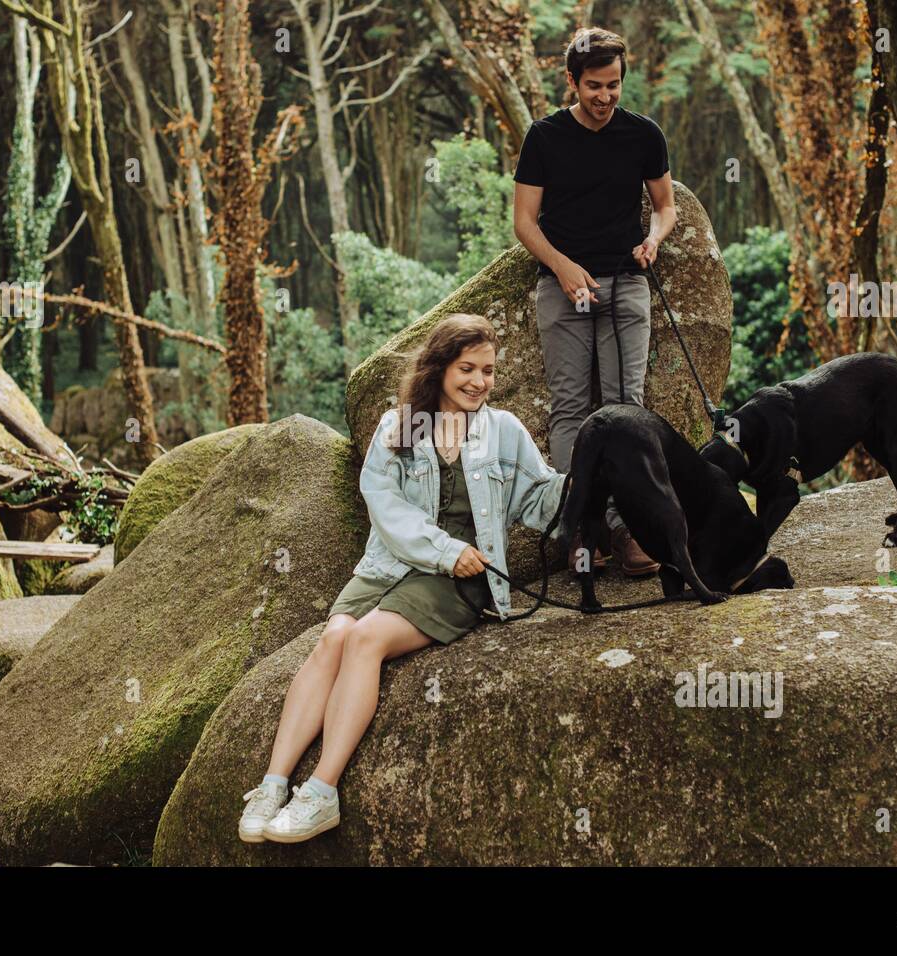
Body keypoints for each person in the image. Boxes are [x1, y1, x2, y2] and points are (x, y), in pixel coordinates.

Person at [238, 313, 567, 844]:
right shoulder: (402, 427)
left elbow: (539, 499)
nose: (479, 382)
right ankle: (274, 784)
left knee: (365, 638)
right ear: (439, 367)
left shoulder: (502, 429)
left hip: (461, 578)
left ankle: (321, 792)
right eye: (467, 368)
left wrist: (595, 474)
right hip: (390, 565)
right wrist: (442, 549)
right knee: (334, 637)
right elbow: (386, 508)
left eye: (488, 370)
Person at [512, 26, 677, 578]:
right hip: (564, 290)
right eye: (594, 86)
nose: (605, 97)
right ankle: (580, 529)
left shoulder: (643, 134)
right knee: (571, 411)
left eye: (613, 85)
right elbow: (524, 223)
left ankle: (631, 529)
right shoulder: (545, 137)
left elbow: (664, 206)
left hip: (626, 284)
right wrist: (562, 267)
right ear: (571, 82)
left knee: (625, 406)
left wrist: (653, 239)